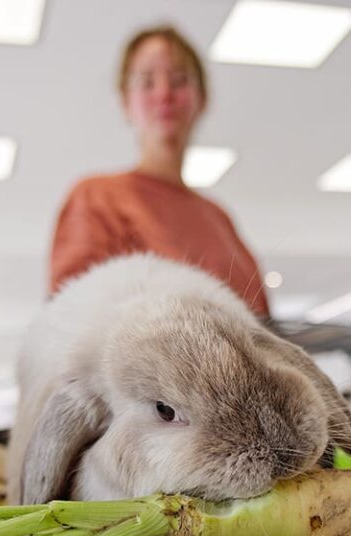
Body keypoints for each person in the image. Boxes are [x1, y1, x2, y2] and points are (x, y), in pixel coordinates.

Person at [48, 25, 270, 318]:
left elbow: (264, 326)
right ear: (126, 102)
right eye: (147, 81)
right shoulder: (95, 198)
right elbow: (71, 327)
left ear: (201, 100)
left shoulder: (220, 219)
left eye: (179, 80)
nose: (164, 93)